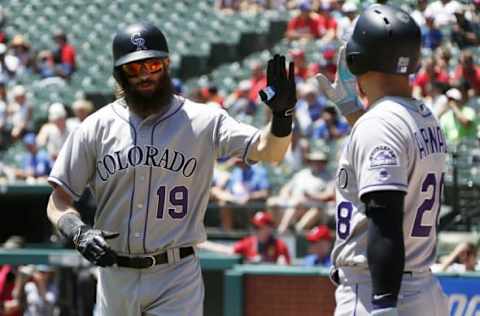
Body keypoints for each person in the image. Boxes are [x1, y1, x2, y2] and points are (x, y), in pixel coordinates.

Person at [46, 22, 296, 316]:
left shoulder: (204, 120)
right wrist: (78, 232)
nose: (145, 74)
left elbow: (269, 151)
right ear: (118, 74)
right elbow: (58, 200)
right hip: (114, 275)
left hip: (175, 274)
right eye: (134, 68)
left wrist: (282, 116)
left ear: (167, 64)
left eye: (152, 64)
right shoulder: (95, 127)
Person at [316, 4, 449, 316]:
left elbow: (384, 218)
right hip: (423, 289)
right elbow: (389, 141)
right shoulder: (424, 115)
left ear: (357, 59)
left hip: (378, 290)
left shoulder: (378, 124)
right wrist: (353, 111)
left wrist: (384, 304)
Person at [269, 149, 335, 234]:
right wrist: (285, 195)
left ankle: (294, 231)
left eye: (320, 161)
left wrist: (312, 196)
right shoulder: (302, 174)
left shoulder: (329, 177)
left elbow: (330, 195)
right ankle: (279, 228)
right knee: (272, 202)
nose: (317, 163)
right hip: (294, 205)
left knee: (308, 206)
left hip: (316, 207)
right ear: (310, 162)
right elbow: (286, 189)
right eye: (314, 161)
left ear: (324, 163)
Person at [198, 211, 291, 265]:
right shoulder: (249, 242)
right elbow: (228, 250)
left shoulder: (280, 246)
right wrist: (203, 244)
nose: (255, 230)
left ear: (269, 229)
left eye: (259, 227)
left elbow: (286, 268)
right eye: (254, 227)